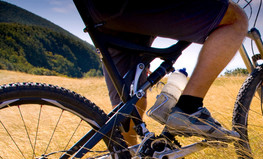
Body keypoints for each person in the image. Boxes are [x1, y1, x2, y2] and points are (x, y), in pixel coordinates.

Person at [85, 0, 245, 143]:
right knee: (236, 18)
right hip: (127, 6)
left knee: (128, 106)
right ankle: (189, 108)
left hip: (98, 10)